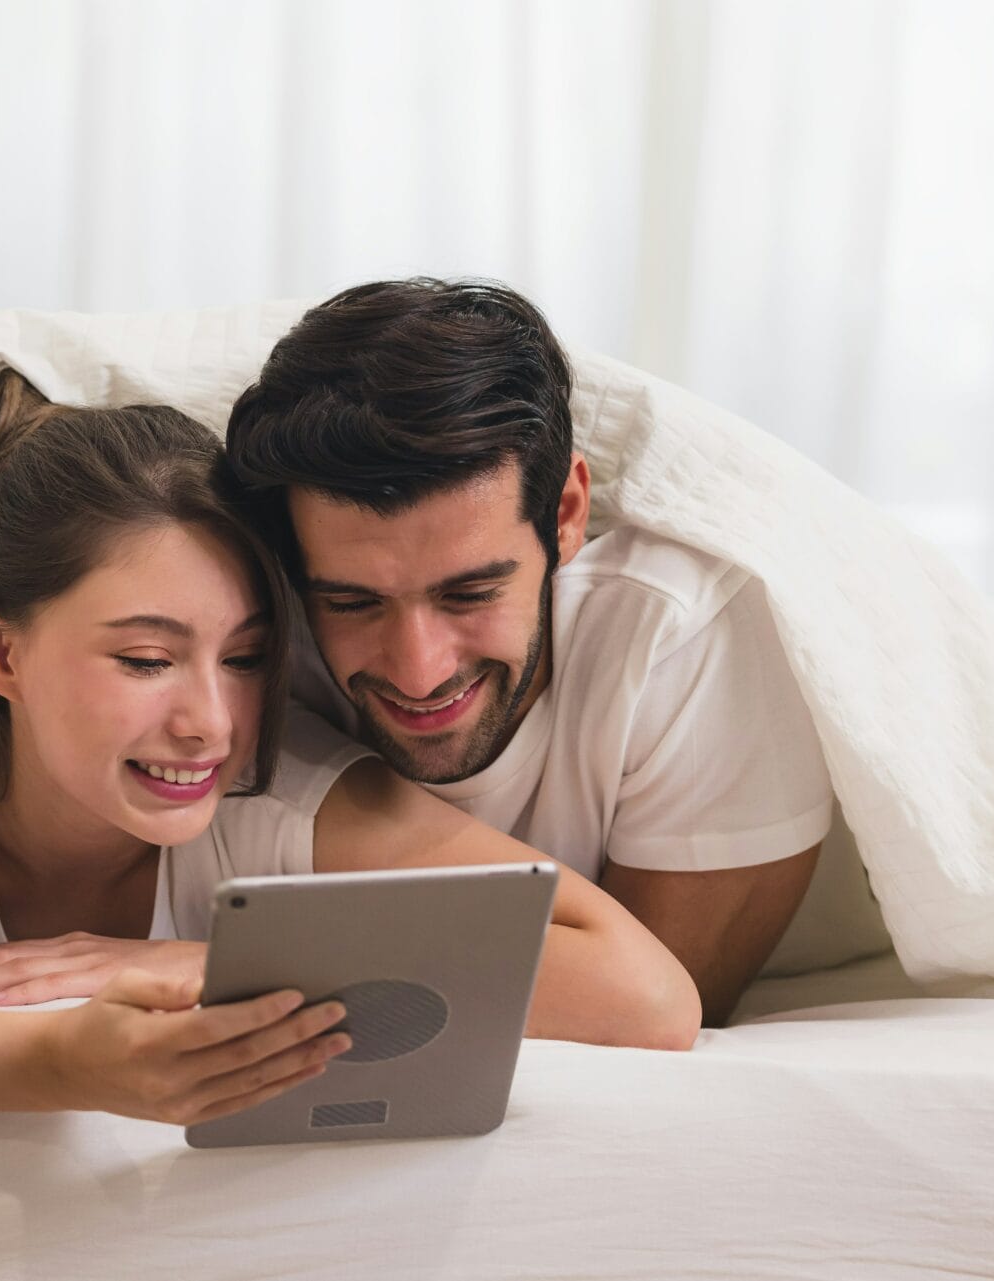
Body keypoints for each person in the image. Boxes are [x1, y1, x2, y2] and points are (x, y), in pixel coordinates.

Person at [0, 371, 698, 1125]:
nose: (211, 721)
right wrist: (52, 1068)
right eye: (146, 660)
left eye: (245, 658)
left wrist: (188, 969)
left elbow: (645, 996)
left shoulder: (264, 794)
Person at [221, 279, 835, 1026]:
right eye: (353, 602)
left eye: (470, 593)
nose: (419, 670)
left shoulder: (679, 628)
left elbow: (656, 1022)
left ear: (568, 512)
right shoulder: (245, 638)